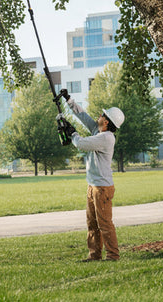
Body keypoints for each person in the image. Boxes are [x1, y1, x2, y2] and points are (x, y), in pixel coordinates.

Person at [59, 90, 124, 262]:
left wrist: (72, 133)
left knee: (104, 224)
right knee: (92, 224)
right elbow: (84, 117)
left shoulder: (106, 138)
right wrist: (69, 100)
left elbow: (80, 144)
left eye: (102, 114)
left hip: (102, 188)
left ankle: (113, 255)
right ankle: (94, 255)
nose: (99, 115)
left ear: (107, 121)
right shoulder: (98, 130)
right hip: (93, 185)